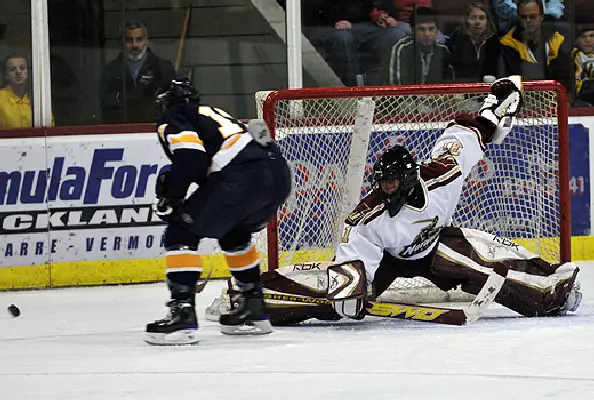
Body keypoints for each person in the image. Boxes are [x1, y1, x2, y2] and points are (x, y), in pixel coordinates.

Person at [208, 75, 582, 326]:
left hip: (435, 247)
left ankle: (555, 290)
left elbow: (468, 134)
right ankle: (251, 295)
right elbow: (351, 269)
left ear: (408, 178)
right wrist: (350, 294)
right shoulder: (365, 217)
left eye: (392, 183)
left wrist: (494, 109)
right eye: (381, 183)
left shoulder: (442, 175)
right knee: (330, 301)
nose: (385, 190)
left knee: (490, 272)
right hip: (386, 261)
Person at [144, 78, 291, 346]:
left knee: (180, 231)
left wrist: (172, 197)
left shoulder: (175, 116)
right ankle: (253, 306)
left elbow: (190, 157)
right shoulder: (215, 113)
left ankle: (182, 312)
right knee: (234, 233)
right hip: (277, 172)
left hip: (242, 176)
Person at [303, 0, 405, 86]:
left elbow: (382, 5)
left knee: (397, 31)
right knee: (343, 37)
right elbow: (312, 12)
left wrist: (382, 15)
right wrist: (338, 18)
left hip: (362, 27)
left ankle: (391, 89)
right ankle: (352, 90)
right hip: (327, 26)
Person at [100, 20, 175, 124]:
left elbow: (170, 106)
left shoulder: (163, 68)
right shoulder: (110, 71)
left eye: (139, 39)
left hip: (154, 131)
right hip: (120, 132)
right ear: (122, 42)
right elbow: (107, 107)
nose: (135, 45)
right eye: (129, 40)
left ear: (146, 40)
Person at [500, 0, 572, 93]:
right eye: (524, 17)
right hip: (522, 99)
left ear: (542, 16)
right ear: (518, 18)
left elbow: (565, 78)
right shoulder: (508, 43)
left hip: (553, 98)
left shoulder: (557, 40)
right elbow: (512, 80)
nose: (528, 21)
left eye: (533, 16)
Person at [389, 7, 454, 85]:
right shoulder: (402, 48)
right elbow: (397, 84)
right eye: (421, 29)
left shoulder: (443, 50)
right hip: (408, 96)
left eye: (431, 29)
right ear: (413, 30)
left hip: (435, 96)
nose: (426, 34)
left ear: (437, 30)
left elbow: (449, 83)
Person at [446, 2, 501, 83]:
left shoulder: (495, 44)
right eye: (473, 18)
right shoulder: (454, 43)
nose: (477, 22)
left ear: (487, 21)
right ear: (466, 20)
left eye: (481, 18)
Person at [490, 0, 565, 35]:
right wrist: (529, 15)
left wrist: (541, 16)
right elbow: (502, 6)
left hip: (545, 24)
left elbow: (556, 6)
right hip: (513, 28)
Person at [0, 54, 32, 130]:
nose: (18, 72)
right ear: (6, 75)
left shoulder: (37, 98)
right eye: (12, 69)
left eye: (22, 68)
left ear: (28, 73)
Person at [573, 26, 594, 106]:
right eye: (583, 36)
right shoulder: (571, 57)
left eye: (592, 36)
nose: (588, 40)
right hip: (580, 100)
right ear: (576, 40)